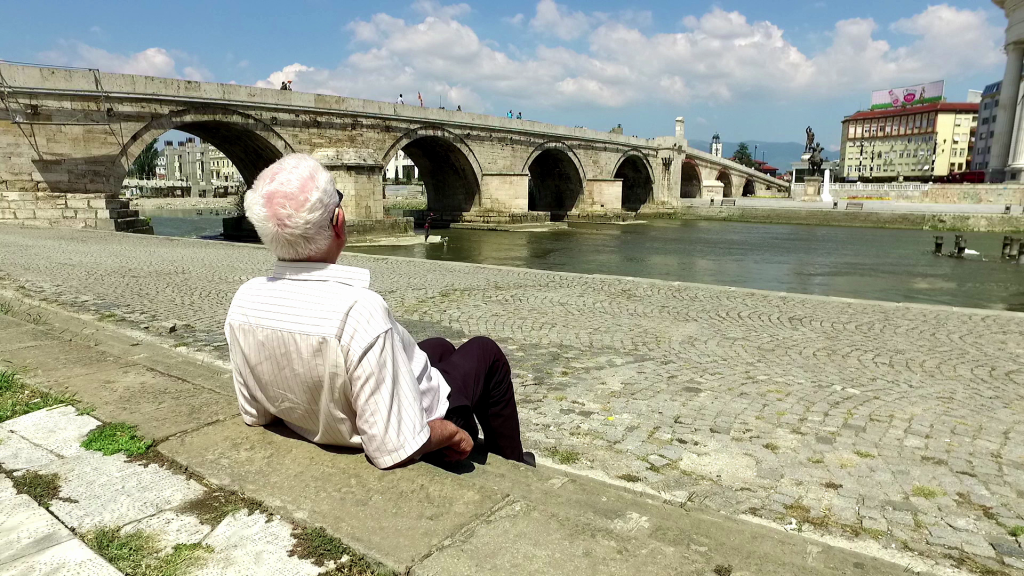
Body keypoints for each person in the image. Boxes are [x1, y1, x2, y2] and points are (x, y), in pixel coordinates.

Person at [226, 154, 531, 469]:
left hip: (334, 406)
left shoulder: (244, 301)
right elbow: (392, 447)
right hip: (427, 420)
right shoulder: (359, 312)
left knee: (437, 346)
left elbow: (256, 413)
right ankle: (515, 462)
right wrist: (449, 433)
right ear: (339, 223)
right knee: (485, 351)